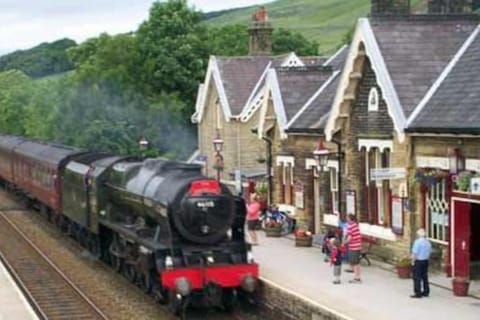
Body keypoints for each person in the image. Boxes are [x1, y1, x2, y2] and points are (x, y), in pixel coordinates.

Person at [410, 228, 432, 298]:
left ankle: (418, 293)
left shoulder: (417, 242)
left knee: (417, 277)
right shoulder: (428, 242)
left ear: (418, 235)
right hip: (425, 261)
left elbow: (414, 253)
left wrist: (413, 261)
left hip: (418, 261)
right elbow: (429, 252)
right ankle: (426, 292)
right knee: (425, 277)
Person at [344, 214, 362, 283]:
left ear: (349, 219)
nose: (346, 219)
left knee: (355, 263)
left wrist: (344, 243)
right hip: (357, 246)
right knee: (356, 262)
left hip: (354, 247)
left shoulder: (351, 226)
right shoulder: (355, 225)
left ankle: (357, 278)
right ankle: (357, 276)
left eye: (347, 218)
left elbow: (349, 238)